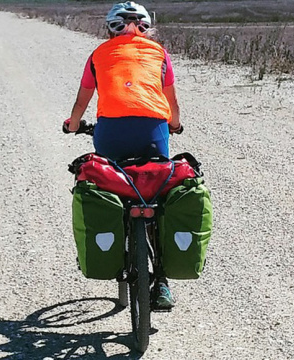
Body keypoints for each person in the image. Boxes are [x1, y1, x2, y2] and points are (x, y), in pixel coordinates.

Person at [63, 1, 182, 309]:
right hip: (154, 133)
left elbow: (81, 102)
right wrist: (176, 125)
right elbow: (171, 104)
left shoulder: (98, 55)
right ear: (147, 26)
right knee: (157, 194)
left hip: (110, 133)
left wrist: (72, 125)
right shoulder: (159, 54)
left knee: (111, 188)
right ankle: (163, 283)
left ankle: (110, 250)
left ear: (110, 28)